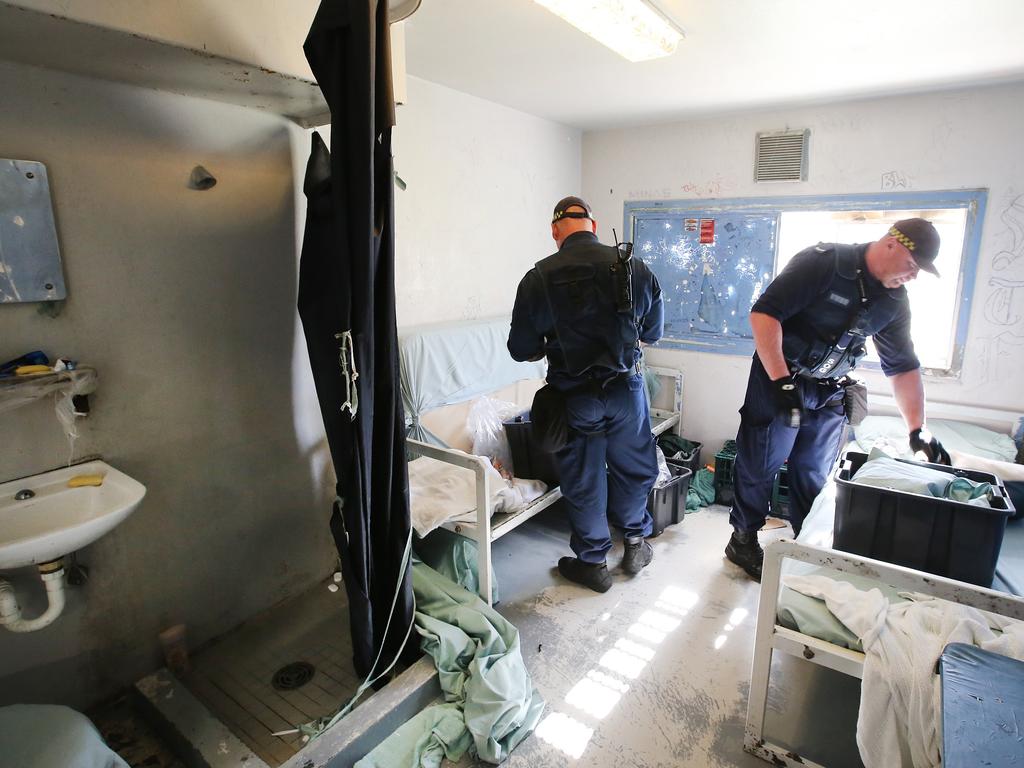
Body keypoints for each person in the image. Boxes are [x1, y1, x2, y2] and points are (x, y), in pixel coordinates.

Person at [725, 218, 951, 581]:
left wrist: (917, 429)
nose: (913, 276)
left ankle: (805, 543)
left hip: (829, 389)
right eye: (912, 265)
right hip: (782, 378)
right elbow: (764, 315)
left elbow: (903, 367)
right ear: (892, 243)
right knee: (760, 462)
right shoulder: (824, 263)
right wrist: (782, 384)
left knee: (814, 471)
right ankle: (743, 539)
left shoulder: (893, 302)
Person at [508, 196, 664, 593]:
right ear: (594, 226)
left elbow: (521, 349)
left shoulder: (537, 278)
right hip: (626, 390)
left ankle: (593, 562)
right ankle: (634, 545)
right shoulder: (635, 267)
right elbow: (653, 333)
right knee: (633, 467)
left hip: (573, 396)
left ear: (556, 230)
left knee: (583, 475)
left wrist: (549, 344)